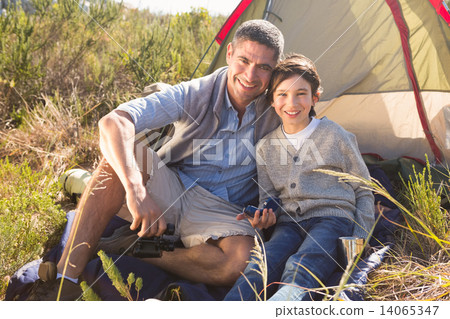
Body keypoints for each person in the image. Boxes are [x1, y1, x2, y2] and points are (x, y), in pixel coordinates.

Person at [27, 19, 284, 300]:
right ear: (230, 53)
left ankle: (134, 248)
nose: (250, 75)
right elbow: (114, 121)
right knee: (124, 154)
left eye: (263, 67)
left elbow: (298, 162)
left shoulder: (281, 104)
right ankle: (66, 278)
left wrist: (270, 208)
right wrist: (136, 189)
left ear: (275, 69)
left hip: (223, 211)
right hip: (172, 187)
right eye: (244, 60)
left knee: (242, 262)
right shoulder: (195, 93)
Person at [224, 54, 375, 301]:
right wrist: (264, 217)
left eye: (301, 93)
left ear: (315, 97)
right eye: (282, 94)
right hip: (287, 225)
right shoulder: (265, 147)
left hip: (332, 220)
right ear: (272, 101)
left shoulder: (336, 135)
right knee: (258, 269)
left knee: (301, 267)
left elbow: (363, 189)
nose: (291, 102)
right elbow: (269, 197)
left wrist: (359, 236)